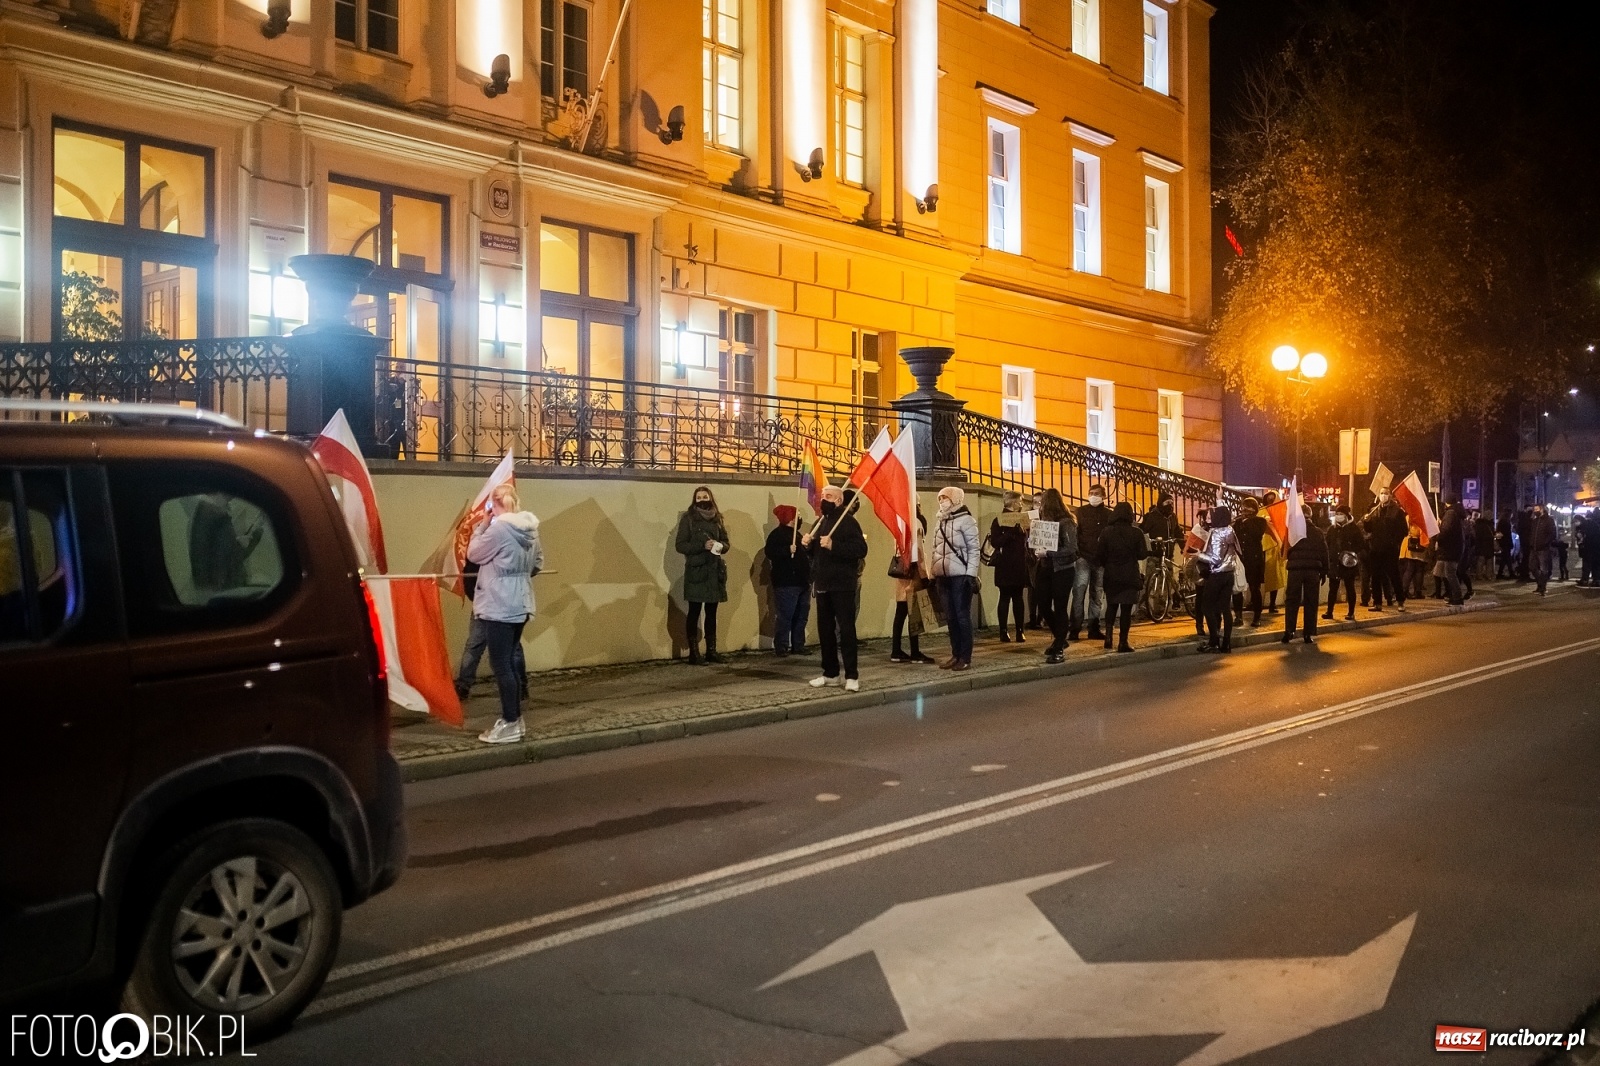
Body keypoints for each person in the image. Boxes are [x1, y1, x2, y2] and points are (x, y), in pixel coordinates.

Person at [470, 483, 542, 744]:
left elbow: (474, 553)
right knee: (510, 661)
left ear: (494, 504)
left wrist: (482, 525)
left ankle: (510, 722)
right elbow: (538, 563)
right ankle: (515, 720)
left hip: (499, 604)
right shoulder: (531, 529)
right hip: (521, 601)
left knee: (501, 665)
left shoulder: (499, 528)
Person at [805, 485, 868, 689]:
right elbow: (817, 554)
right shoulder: (821, 521)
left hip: (842, 585)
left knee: (846, 630)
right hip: (823, 584)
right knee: (825, 631)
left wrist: (835, 546)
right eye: (823, 496)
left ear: (839, 501)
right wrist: (808, 545)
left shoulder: (848, 521)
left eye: (829, 496)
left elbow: (860, 549)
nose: (824, 499)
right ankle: (830, 673)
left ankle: (852, 675)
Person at [454, 558, 528, 702]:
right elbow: (469, 573)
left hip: (500, 603)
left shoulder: (494, 544)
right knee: (478, 646)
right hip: (491, 602)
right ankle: (463, 686)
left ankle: (519, 687)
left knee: (507, 647)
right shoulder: (506, 543)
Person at [675, 487, 731, 664]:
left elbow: (727, 543)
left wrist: (719, 545)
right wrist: (702, 546)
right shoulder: (689, 519)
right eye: (698, 497)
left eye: (705, 497)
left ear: (710, 498)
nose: (702, 500)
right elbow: (681, 545)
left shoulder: (717, 519)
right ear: (694, 500)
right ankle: (694, 653)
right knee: (694, 611)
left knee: (712, 613)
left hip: (714, 571)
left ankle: (711, 651)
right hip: (697, 572)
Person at [930, 486, 980, 671]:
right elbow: (935, 548)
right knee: (950, 617)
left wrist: (971, 573)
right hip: (943, 576)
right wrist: (932, 571)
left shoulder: (966, 520)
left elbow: (974, 549)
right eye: (940, 498)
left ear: (956, 499)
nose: (942, 501)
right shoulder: (940, 521)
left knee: (962, 616)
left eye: (945, 498)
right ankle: (955, 654)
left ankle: (965, 657)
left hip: (960, 575)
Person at [1093, 501, 1147, 653]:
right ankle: (1123, 642)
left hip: (1111, 574)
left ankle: (1108, 638)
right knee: (1126, 609)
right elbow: (1142, 554)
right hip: (1130, 574)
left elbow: (1100, 554)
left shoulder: (1106, 532)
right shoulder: (1136, 532)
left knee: (1111, 606)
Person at [1036, 488, 1080, 664]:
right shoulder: (1044, 521)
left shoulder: (1066, 522)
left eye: (1041, 503)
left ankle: (1059, 646)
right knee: (1044, 605)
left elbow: (1071, 549)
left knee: (1060, 607)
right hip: (1045, 568)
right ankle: (1060, 638)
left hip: (1062, 569)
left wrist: (1048, 553)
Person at [764, 505, 811, 657]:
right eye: (796, 515)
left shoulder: (797, 534)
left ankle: (798, 645)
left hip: (802, 581)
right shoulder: (777, 535)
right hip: (787, 582)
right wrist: (786, 550)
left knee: (801, 615)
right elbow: (770, 552)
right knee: (786, 616)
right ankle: (782, 646)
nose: (799, 517)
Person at [890, 509, 935, 664]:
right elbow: (919, 553)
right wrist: (925, 576)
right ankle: (915, 652)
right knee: (914, 615)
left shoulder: (900, 522)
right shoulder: (916, 522)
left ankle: (896, 651)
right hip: (913, 575)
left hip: (901, 573)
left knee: (900, 614)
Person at [1196, 505, 1241, 653]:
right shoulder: (1229, 530)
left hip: (1217, 574)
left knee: (1207, 607)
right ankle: (1226, 643)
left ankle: (1213, 640)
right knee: (1225, 609)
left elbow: (1214, 558)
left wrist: (1198, 555)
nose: (1210, 518)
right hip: (1229, 574)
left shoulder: (1216, 533)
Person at [987, 493, 1031, 642]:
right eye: (1019, 501)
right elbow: (995, 542)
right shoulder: (999, 520)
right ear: (1012, 502)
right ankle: (1003, 631)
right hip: (1005, 564)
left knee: (1018, 598)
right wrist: (1011, 532)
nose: (1021, 504)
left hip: (1019, 563)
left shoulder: (1024, 519)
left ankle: (1020, 630)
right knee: (1005, 597)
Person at [1282, 504, 1329, 644]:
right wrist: (1324, 571)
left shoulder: (1292, 531)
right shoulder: (1318, 532)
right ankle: (1308, 634)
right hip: (1312, 570)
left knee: (1292, 601)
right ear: (1310, 515)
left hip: (1295, 570)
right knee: (1311, 602)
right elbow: (1324, 552)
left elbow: (1284, 550)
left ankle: (1289, 631)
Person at [1072, 483, 1111, 641]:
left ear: (1103, 496)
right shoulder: (1080, 512)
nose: (1093, 495)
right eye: (1091, 493)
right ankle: (1074, 628)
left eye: (1096, 493)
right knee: (1079, 593)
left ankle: (1094, 628)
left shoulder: (1109, 514)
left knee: (1096, 595)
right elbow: (1076, 533)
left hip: (1100, 560)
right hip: (1083, 557)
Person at [1362, 488, 1408, 612]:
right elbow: (1369, 530)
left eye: (1386, 493)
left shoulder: (1397, 512)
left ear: (1390, 496)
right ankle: (1377, 603)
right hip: (1376, 548)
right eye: (1381, 493)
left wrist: (1394, 542)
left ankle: (1400, 601)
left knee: (1394, 575)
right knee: (1375, 576)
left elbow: (1404, 530)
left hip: (1390, 549)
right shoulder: (1374, 510)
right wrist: (1367, 522)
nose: (1383, 496)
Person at [1323, 503, 1363, 622]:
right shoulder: (1332, 529)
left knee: (1350, 587)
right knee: (1333, 588)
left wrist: (1351, 554)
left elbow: (1360, 544)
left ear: (1347, 515)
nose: (1339, 516)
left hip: (1348, 563)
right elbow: (1327, 544)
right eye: (1337, 514)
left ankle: (1351, 612)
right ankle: (1329, 611)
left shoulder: (1353, 529)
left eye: (1341, 514)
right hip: (1335, 562)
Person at [1233, 496, 1268, 626]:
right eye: (1243, 507)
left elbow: (1256, 533)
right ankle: (1238, 617)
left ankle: (1257, 618)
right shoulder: (1238, 522)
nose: (1244, 510)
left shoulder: (1260, 521)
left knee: (1254, 588)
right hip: (1240, 560)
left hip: (1254, 560)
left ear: (1254, 509)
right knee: (1237, 588)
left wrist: (1246, 521)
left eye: (1247, 507)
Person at [1260, 490, 1287, 616]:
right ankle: (1256, 603)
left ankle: (1272, 603)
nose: (1270, 501)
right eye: (1268, 499)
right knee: (1259, 577)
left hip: (1275, 546)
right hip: (1262, 546)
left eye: (1272, 499)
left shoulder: (1281, 512)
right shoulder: (1261, 511)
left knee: (1274, 577)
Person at [1434, 497, 1464, 605]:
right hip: (1454, 548)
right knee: (1448, 573)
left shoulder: (1450, 514)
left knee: (1450, 574)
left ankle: (1457, 597)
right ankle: (1452, 596)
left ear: (1447, 503)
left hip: (1450, 548)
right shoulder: (1456, 513)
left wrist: (1438, 536)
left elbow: (1446, 530)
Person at [1530, 503, 1558, 596]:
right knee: (1532, 567)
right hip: (1534, 548)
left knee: (1543, 569)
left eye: (1537, 509)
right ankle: (1540, 585)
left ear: (1542, 509)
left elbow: (1552, 534)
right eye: (1534, 509)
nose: (1535, 511)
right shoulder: (1535, 521)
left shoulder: (1548, 520)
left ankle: (1542, 587)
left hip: (1543, 549)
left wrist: (1545, 543)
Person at [1473, 510, 1495, 580]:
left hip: (1482, 544)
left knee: (1481, 560)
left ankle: (1479, 575)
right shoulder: (1490, 524)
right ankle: (1488, 575)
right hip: (1487, 543)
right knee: (1488, 560)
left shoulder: (1479, 524)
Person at [1495, 509, 1515, 579]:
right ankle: (1510, 573)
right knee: (1507, 558)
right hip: (1506, 542)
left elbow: (1498, 533)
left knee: (1504, 559)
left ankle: (1500, 573)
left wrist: (1499, 541)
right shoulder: (1506, 523)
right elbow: (1507, 534)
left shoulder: (1501, 522)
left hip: (1503, 542)